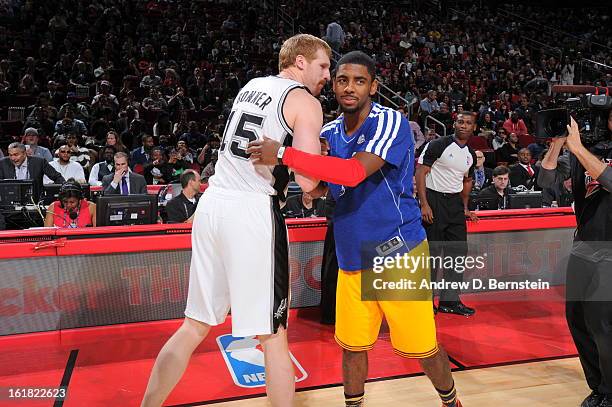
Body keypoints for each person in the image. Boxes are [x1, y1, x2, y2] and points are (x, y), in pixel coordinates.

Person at [248, 51, 463, 407]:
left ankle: (450, 401)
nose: (349, 88)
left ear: (373, 87)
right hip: (351, 256)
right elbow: (320, 188)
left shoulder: (390, 121)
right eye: (342, 80)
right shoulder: (329, 132)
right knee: (352, 347)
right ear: (333, 85)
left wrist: (284, 154)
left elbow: (351, 173)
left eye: (359, 81)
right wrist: (309, 185)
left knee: (422, 349)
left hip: (397, 252)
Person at [141, 33, 331, 407]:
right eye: (323, 66)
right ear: (301, 62)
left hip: (214, 204)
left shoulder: (252, 86)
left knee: (194, 324)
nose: (328, 74)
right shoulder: (304, 101)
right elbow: (308, 180)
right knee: (274, 335)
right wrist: (320, 178)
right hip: (251, 211)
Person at [538, 114, 612, 407]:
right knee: (578, 321)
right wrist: (558, 145)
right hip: (583, 247)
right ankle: (598, 388)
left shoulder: (585, 152)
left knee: (602, 324)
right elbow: (545, 181)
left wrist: (578, 148)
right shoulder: (591, 150)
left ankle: (610, 390)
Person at [416, 112, 479, 317]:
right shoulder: (438, 144)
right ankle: (426, 302)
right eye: (460, 121)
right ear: (454, 123)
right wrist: (424, 204)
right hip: (434, 200)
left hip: (454, 204)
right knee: (433, 255)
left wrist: (465, 206)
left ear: (474, 128)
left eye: (468, 123)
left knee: (458, 253)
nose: (463, 125)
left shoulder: (470, 152)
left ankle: (449, 301)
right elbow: (420, 172)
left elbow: (467, 180)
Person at [0, 142, 64, 201]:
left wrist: (67, 189)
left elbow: (57, 177)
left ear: (24, 153)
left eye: (16, 155)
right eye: (10, 155)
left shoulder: (39, 162)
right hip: (9, 203)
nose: (13, 158)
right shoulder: (3, 163)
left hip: (34, 202)